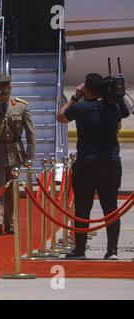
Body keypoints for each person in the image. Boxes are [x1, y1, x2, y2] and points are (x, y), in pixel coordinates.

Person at [57, 73, 130, 260]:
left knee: (82, 208)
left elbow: (61, 117)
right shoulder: (113, 108)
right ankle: (112, 251)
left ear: (87, 89)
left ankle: (80, 251)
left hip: (87, 164)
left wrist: (75, 96)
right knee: (110, 208)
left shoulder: (80, 107)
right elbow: (119, 124)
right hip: (111, 163)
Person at [0, 74, 36, 236]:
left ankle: (10, 223)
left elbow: (30, 133)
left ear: (10, 88)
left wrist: (29, 157)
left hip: (15, 152)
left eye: (5, 90)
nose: (2, 94)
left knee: (12, 190)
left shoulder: (21, 106)